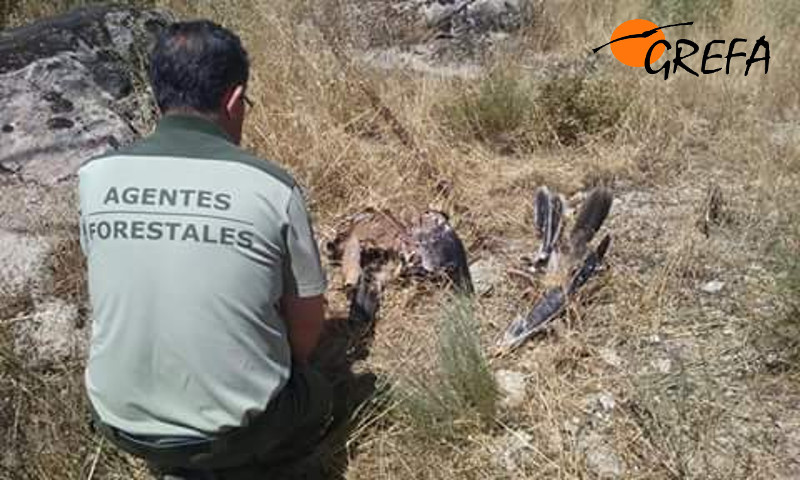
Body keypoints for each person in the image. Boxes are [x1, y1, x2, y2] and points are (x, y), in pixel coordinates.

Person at [78, 20, 333, 478]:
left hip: (118, 424)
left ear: (159, 96)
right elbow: (308, 330)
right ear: (234, 101)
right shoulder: (272, 187)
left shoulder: (95, 178)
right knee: (319, 391)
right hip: (234, 433)